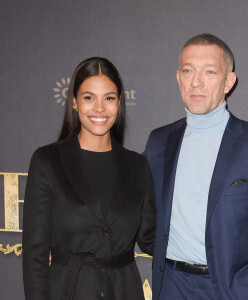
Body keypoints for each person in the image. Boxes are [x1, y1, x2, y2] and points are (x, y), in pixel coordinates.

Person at [143, 34, 248, 300]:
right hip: (170, 287)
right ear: (178, 78)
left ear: (228, 81)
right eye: (188, 71)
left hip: (233, 291)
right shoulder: (159, 141)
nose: (196, 82)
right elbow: (139, 211)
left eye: (209, 72)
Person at [22, 57, 156, 300]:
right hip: (69, 291)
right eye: (88, 97)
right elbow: (35, 255)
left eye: (109, 98)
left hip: (124, 291)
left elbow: (150, 238)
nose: (99, 109)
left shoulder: (137, 165)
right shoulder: (48, 161)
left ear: (119, 103)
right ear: (74, 102)